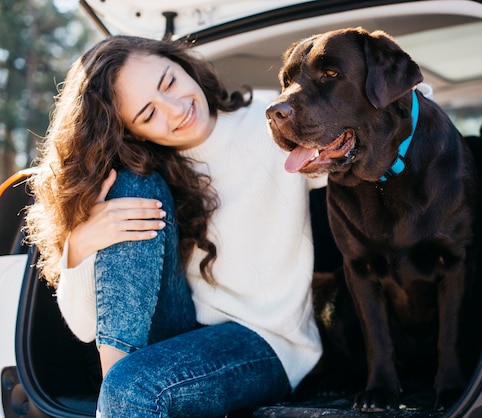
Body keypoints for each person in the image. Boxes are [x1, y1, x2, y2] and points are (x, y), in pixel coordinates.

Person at [25, 35, 323, 417]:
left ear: (182, 63)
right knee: (132, 184)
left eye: (169, 82)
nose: (175, 108)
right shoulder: (145, 175)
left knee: (133, 388)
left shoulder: (277, 122)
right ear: (132, 133)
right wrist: (81, 244)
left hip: (266, 340)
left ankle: (119, 395)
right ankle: (118, 390)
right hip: (176, 332)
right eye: (148, 115)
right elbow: (86, 330)